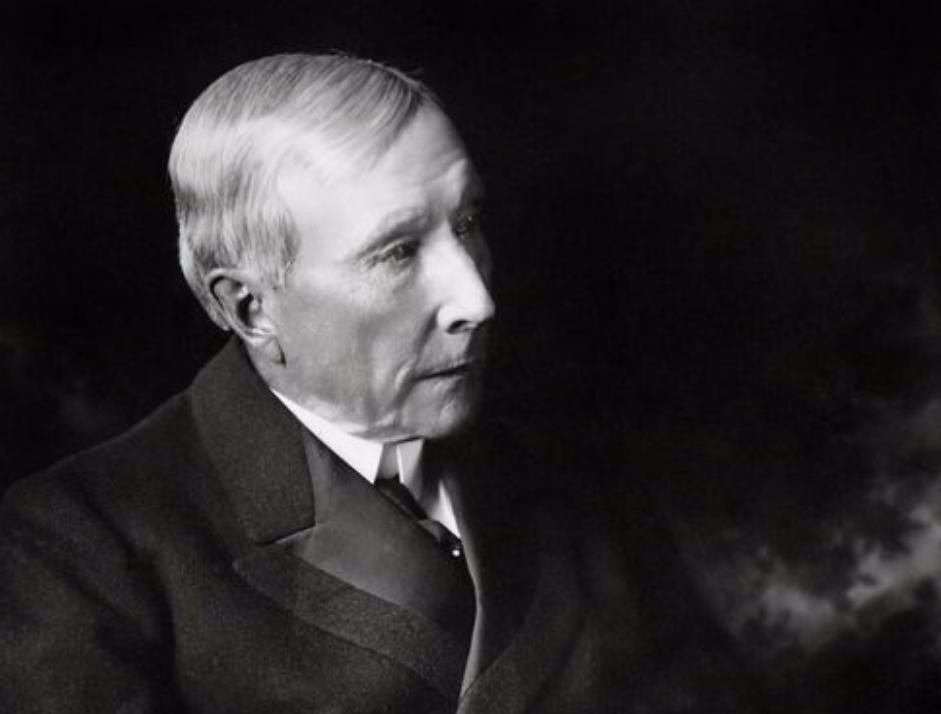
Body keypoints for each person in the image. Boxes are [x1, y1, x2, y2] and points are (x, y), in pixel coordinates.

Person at [0, 53, 759, 713]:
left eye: (467, 223)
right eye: (397, 253)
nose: (476, 300)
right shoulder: (73, 550)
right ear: (250, 307)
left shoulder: (577, 468)